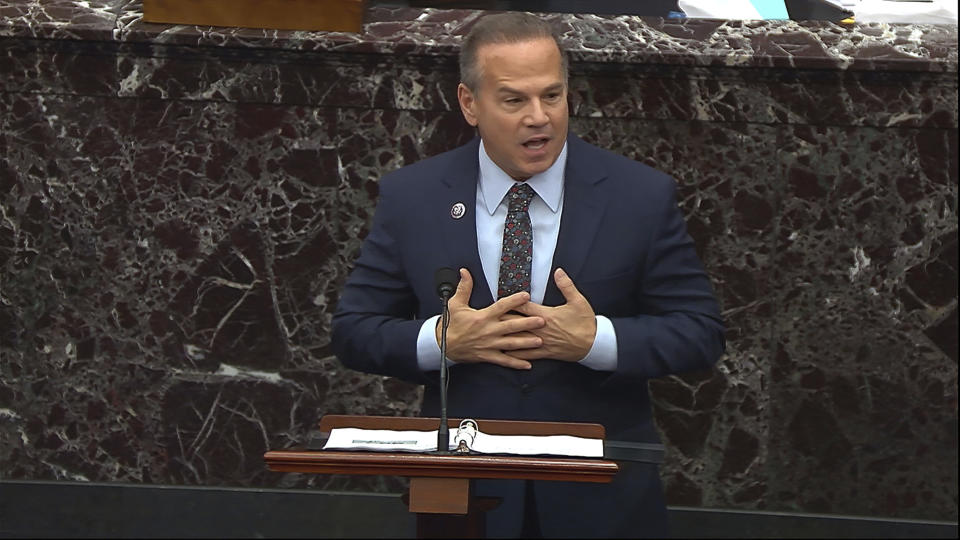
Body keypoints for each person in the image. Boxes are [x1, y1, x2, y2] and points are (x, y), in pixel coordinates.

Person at [332, 12, 725, 538]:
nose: (539, 117)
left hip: (600, 497)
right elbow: (353, 330)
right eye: (514, 100)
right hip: (465, 496)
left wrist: (595, 340)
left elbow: (700, 332)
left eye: (553, 96)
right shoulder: (414, 197)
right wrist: (444, 341)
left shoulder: (639, 197)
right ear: (469, 104)